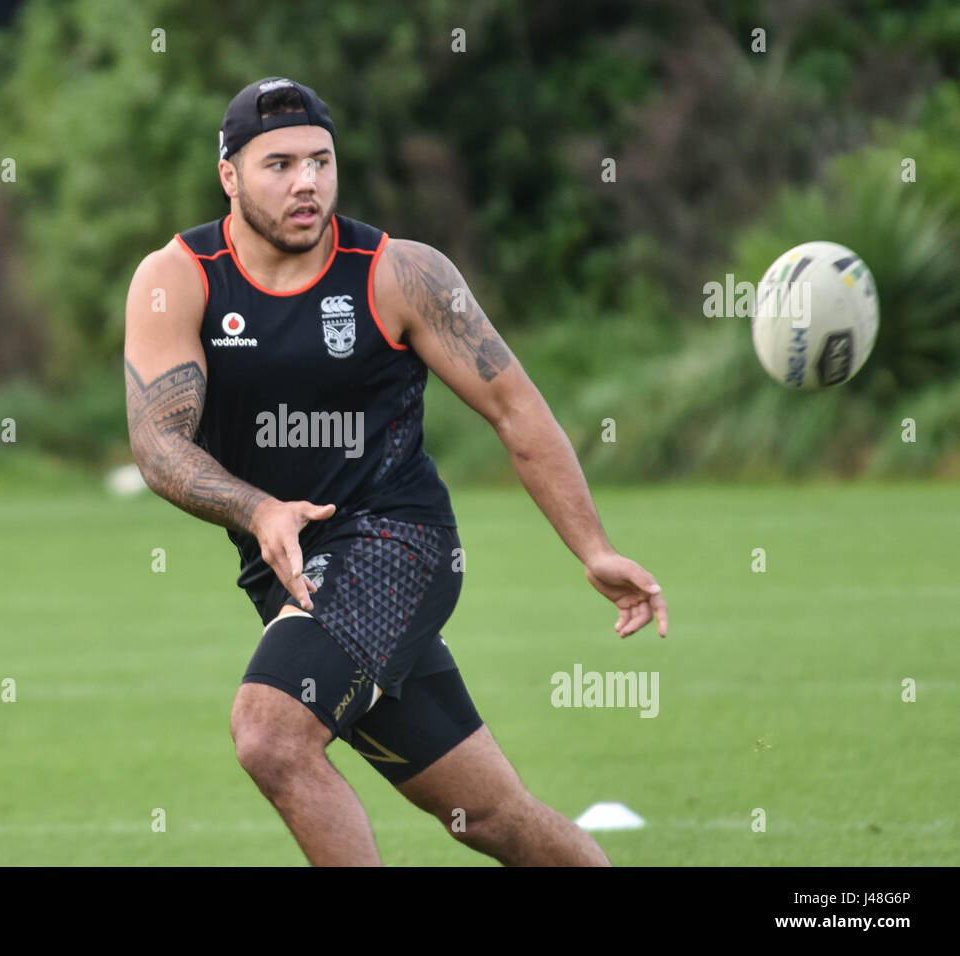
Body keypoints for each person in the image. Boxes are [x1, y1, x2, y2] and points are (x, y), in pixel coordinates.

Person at [123, 77, 668, 866]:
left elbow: (517, 410)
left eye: (320, 161)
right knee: (489, 815)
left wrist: (593, 547)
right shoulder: (180, 279)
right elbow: (158, 444)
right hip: (294, 574)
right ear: (229, 176)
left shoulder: (397, 274)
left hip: (398, 546)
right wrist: (258, 510)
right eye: (278, 164)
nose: (306, 182)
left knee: (271, 736)